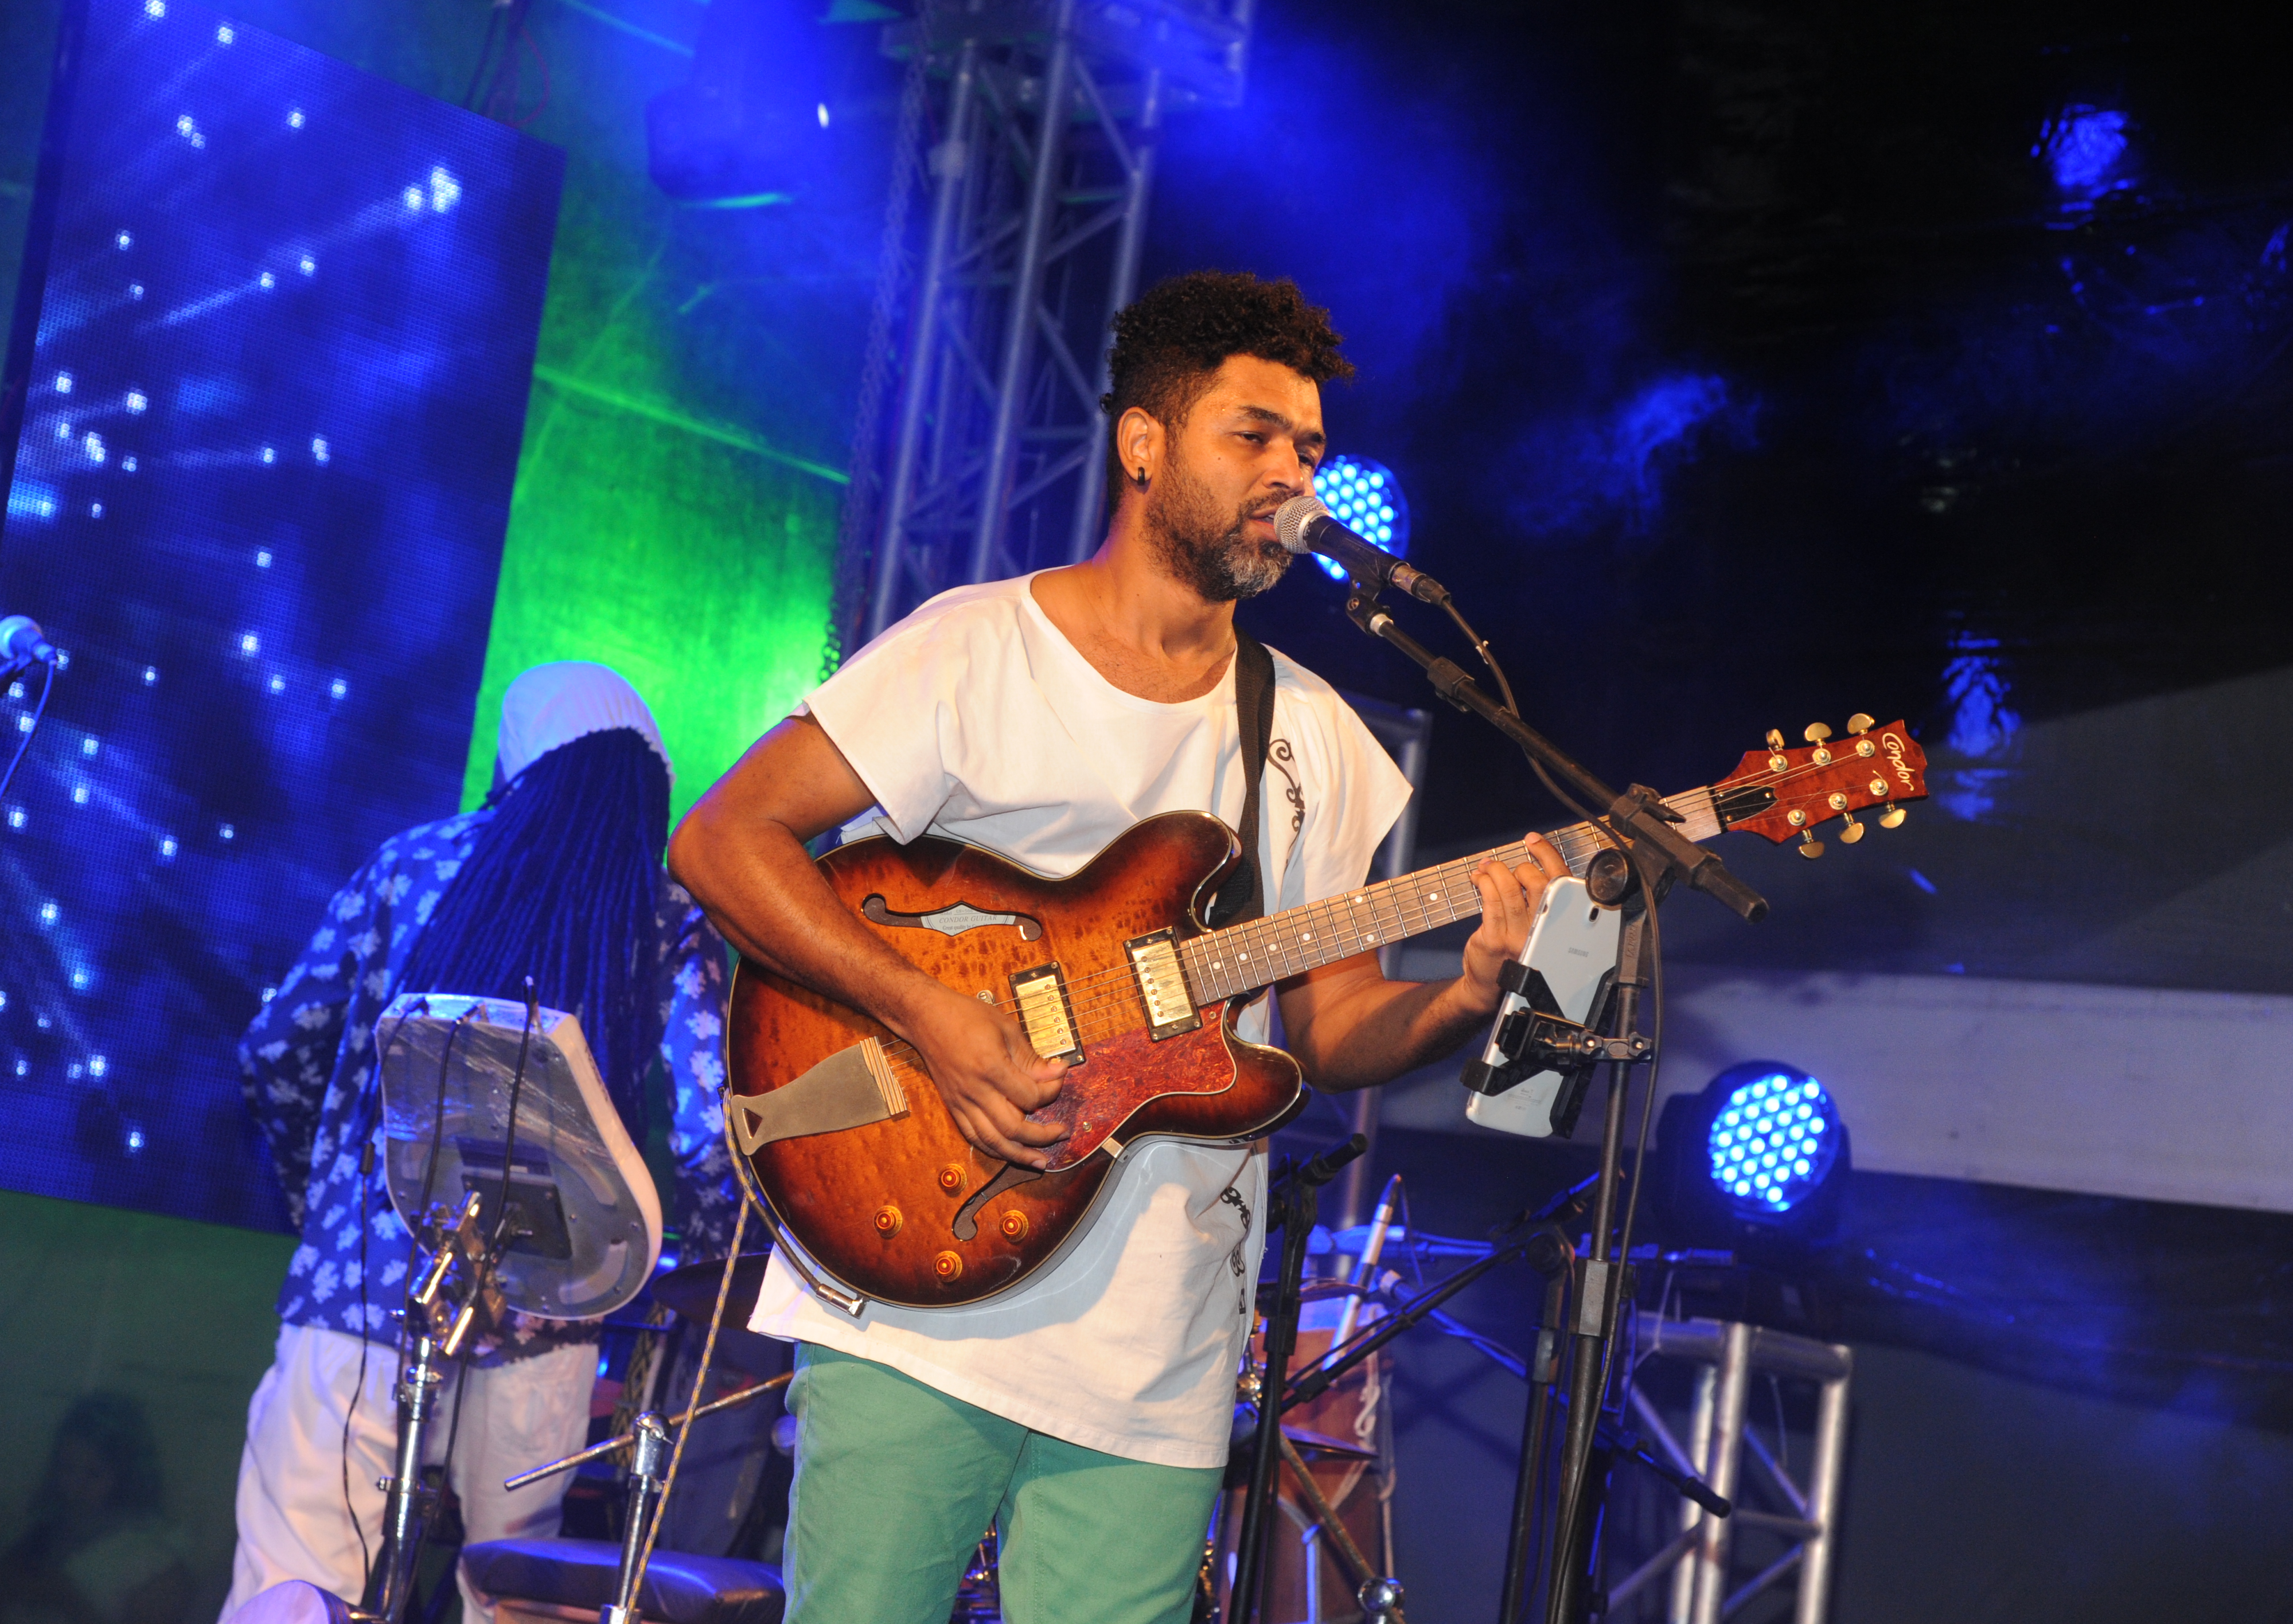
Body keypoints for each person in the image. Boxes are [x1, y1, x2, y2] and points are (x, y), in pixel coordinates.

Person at [668, 271, 1567, 1624]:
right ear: (1145, 444)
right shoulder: (975, 650)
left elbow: (1327, 1029)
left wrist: (1474, 991)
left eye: (1310, 450)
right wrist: (934, 1017)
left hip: (1163, 1357)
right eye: (1252, 435)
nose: (1292, 474)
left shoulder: (1314, 734)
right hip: (919, 1286)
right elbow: (722, 840)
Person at [221, 662, 736, 1622]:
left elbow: (277, 1048)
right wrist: (698, 1274)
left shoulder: (410, 865)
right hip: (551, 1323)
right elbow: (713, 1138)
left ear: (516, 765)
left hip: (365, 1302)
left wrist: (325, 1203)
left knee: (294, 1590)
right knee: (516, 1601)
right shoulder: (663, 914)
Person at [0, 1392, 193, 1624]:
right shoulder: (27, 1532)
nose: (73, 1486)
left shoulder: (155, 1561)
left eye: (93, 1474)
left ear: (126, 1477)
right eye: (67, 1468)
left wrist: (67, 1600)